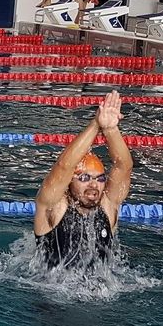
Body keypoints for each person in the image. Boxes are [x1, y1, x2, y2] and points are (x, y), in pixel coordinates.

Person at [34, 91, 133, 268]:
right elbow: (64, 166)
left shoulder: (108, 206)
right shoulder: (53, 206)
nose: (94, 185)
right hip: (50, 293)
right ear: (69, 181)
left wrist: (110, 129)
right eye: (85, 178)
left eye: (100, 178)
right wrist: (96, 125)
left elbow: (123, 166)